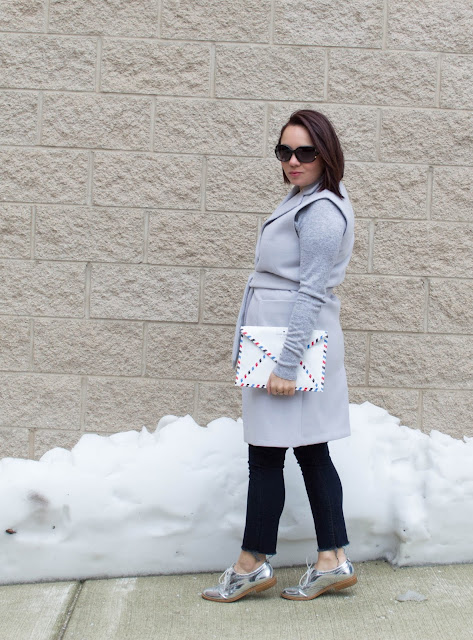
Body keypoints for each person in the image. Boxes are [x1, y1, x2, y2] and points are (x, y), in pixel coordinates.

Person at [202, 109, 357, 603]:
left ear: (325, 153)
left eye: (305, 151)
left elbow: (310, 291)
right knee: (309, 451)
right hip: (283, 341)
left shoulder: (321, 211)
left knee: (267, 455)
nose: (293, 160)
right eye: (284, 151)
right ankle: (332, 560)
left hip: (290, 347)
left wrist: (286, 365)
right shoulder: (303, 198)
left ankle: (251, 564)